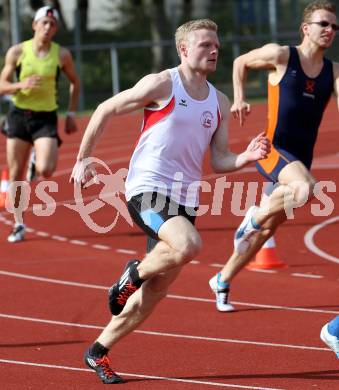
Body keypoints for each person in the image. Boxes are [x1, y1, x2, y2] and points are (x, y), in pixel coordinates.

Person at [70, 19, 270, 384]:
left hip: (185, 199)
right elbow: (104, 109)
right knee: (189, 245)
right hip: (147, 188)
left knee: (157, 291)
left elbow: (219, 158)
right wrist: (83, 158)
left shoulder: (219, 100)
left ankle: (97, 350)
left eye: (216, 45)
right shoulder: (163, 83)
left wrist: (246, 157)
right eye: (205, 44)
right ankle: (132, 274)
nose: (214, 51)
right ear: (183, 49)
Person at [209, 0, 339, 312]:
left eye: (335, 27)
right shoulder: (282, 55)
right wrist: (239, 98)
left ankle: (222, 280)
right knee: (304, 189)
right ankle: (252, 217)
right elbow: (240, 61)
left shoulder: (333, 71)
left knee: (268, 228)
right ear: (306, 28)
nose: (330, 31)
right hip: (272, 150)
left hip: (299, 159)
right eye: (324, 24)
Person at [0, 6, 80, 243]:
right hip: (19, 116)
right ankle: (18, 223)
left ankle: (37, 161)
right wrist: (19, 86)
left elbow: (75, 82)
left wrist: (72, 113)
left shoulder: (62, 54)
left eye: (52, 24)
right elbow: (2, 85)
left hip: (46, 117)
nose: (48, 27)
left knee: (46, 169)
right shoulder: (17, 52)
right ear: (35, 25)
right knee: (16, 174)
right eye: (44, 22)